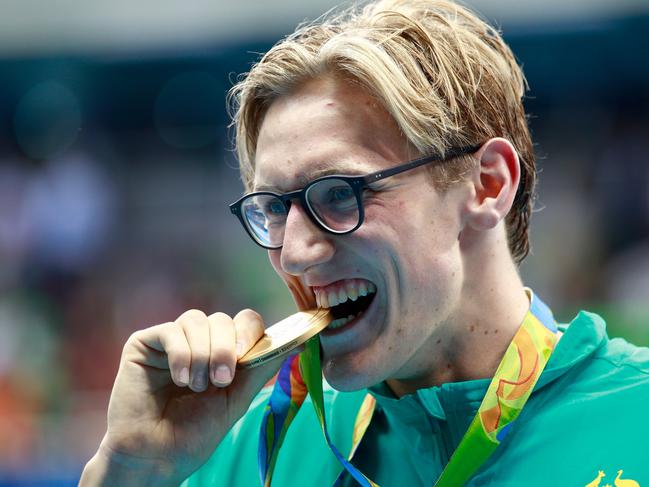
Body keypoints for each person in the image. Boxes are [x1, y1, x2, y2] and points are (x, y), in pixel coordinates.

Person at [80, 0, 649, 485]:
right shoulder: (232, 450)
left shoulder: (636, 417)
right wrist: (131, 470)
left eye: (339, 193)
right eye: (275, 207)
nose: (296, 254)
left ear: (487, 185)